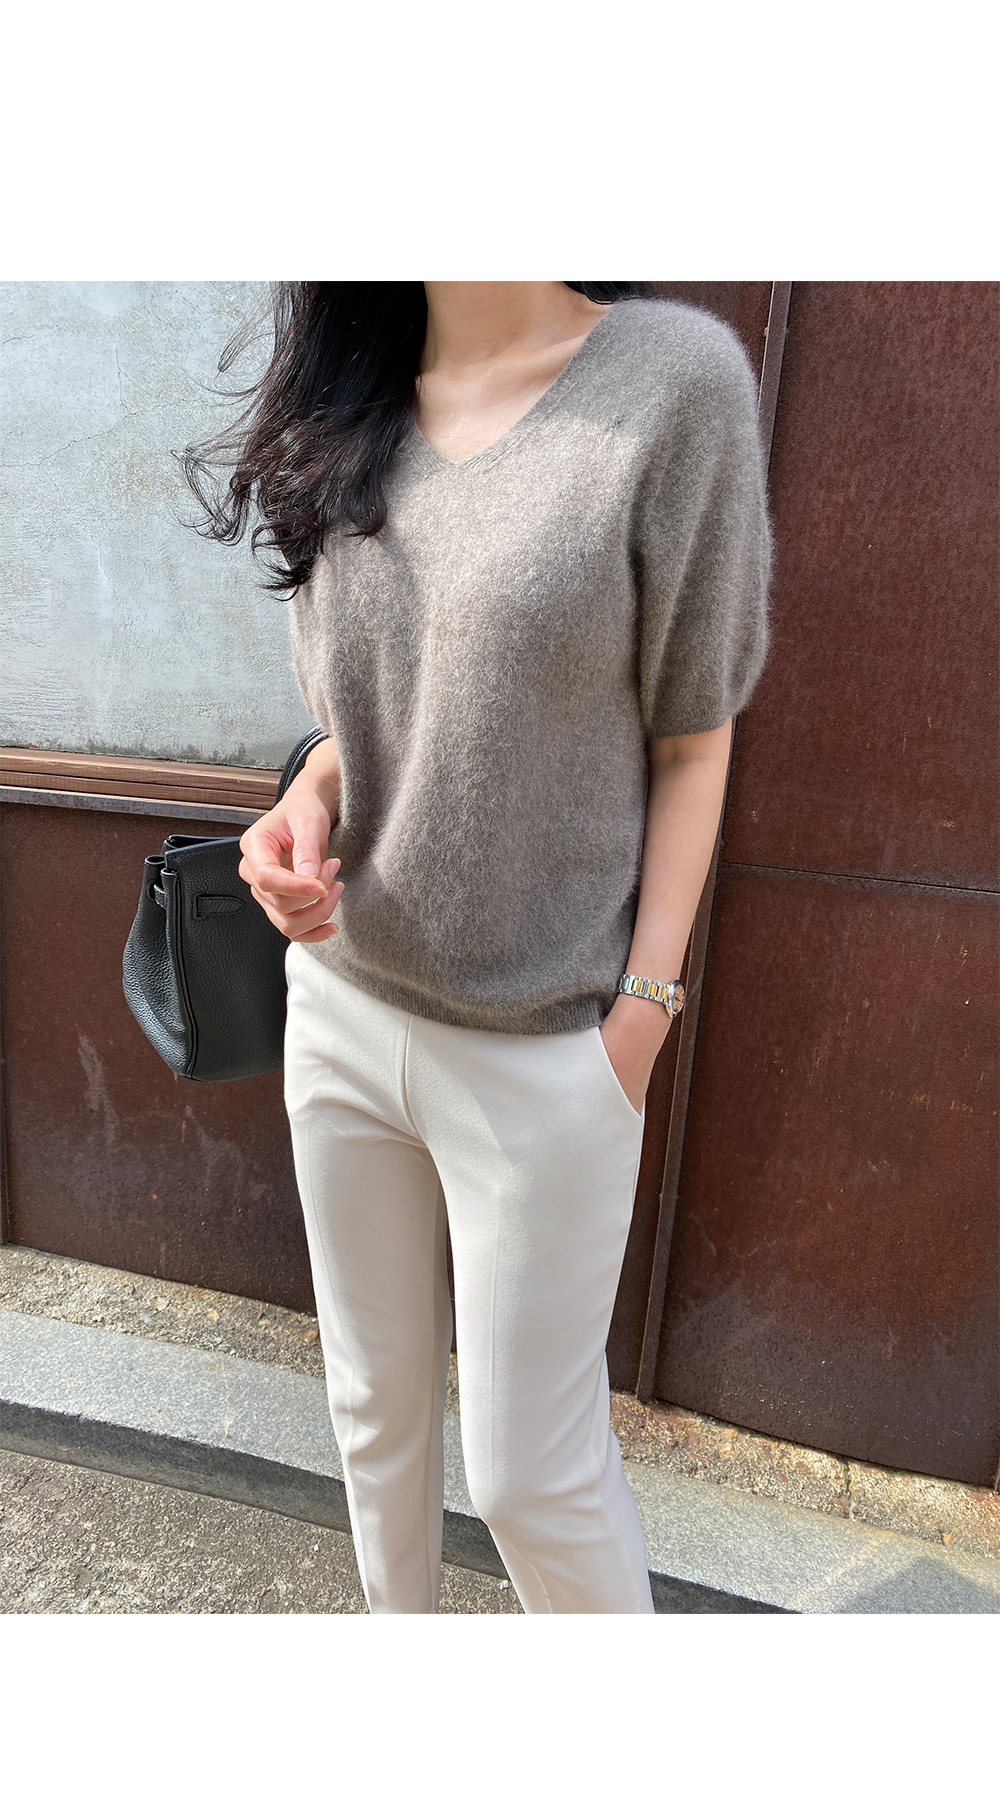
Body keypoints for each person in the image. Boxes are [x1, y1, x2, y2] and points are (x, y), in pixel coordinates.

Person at [182, 281, 772, 1614]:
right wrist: (303, 803)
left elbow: (695, 738)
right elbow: (375, 718)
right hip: (340, 1008)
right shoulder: (348, 392)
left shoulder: (671, 384)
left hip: (544, 1049)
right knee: (372, 1413)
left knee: (531, 1478)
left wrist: (641, 1015)